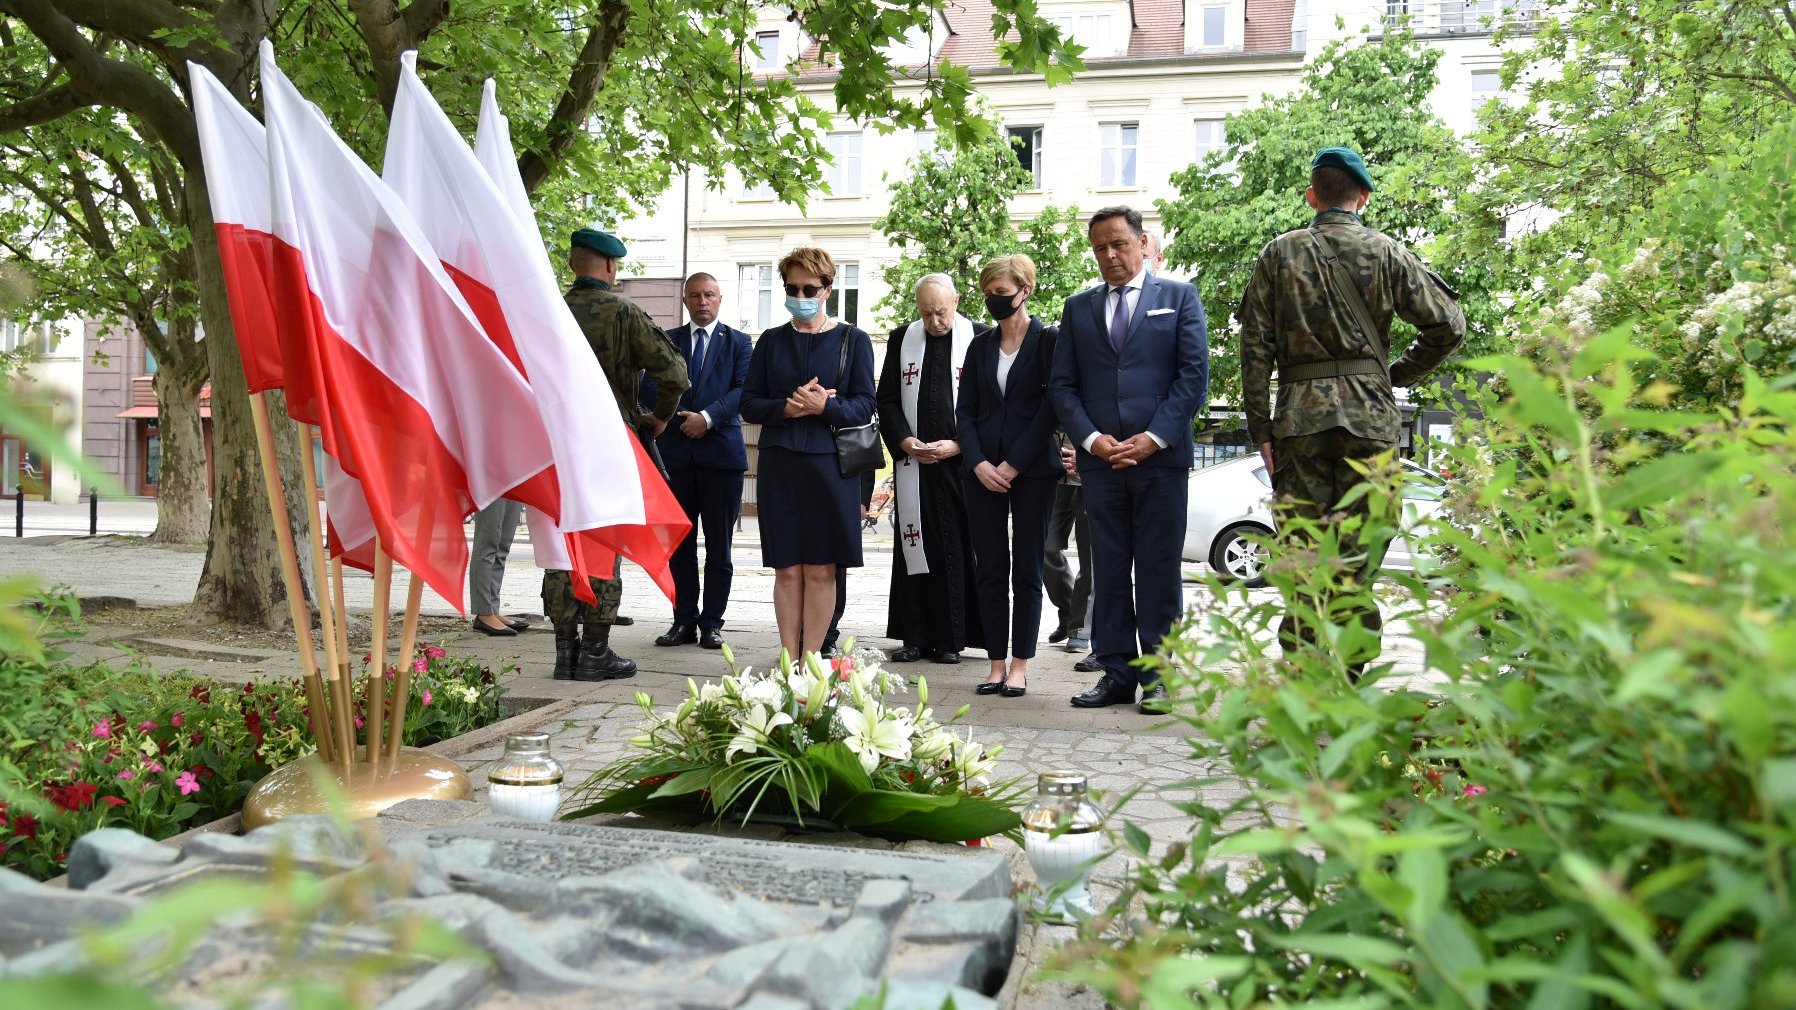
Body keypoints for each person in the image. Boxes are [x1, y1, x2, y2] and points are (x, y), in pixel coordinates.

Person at [1237, 147, 1465, 678]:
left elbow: (1255, 348)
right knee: (1358, 561)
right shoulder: (1388, 252)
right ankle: (1353, 684)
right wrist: (1395, 375)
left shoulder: (1280, 253)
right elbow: (1448, 326)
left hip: (1299, 423)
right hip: (1370, 421)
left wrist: (1260, 430)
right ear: (1362, 197)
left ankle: (1305, 688)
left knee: (1305, 559)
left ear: (1313, 196)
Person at [1048, 206, 1208, 714]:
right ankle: (1115, 672)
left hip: (1159, 462)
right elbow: (1063, 386)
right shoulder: (1078, 308)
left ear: (1142, 243)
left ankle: (1158, 677)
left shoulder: (1179, 298)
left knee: (1158, 569)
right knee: (1109, 569)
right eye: (1099, 247)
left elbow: (1192, 377)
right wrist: (1092, 440)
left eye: (1118, 244)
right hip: (1101, 463)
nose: (1110, 255)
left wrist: (1154, 437)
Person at [545, 228, 689, 681]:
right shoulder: (624, 313)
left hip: (554, 445)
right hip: (609, 444)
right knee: (604, 544)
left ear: (571, 265)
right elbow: (676, 374)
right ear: (611, 266)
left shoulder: (547, 312)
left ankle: (564, 653)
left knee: (562, 545)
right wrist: (660, 418)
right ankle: (595, 652)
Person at [740, 247, 877, 658]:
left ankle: (812, 660)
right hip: (781, 463)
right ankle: (787, 660)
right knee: (786, 567)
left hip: (831, 466)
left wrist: (825, 407)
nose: (800, 294)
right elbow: (748, 402)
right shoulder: (770, 341)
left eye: (809, 287)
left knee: (820, 569)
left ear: (828, 289)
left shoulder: (854, 340)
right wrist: (784, 407)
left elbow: (866, 404)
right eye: (792, 287)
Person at [956, 255, 1061, 698]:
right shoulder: (979, 346)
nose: (994, 301)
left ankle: (1020, 664)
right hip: (981, 472)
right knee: (991, 568)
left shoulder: (1049, 341)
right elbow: (966, 412)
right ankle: (995, 664)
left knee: (1027, 568)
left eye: (1001, 293)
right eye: (988, 294)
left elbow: (1050, 408)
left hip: (1033, 469)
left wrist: (1013, 464)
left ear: (1025, 290)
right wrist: (979, 463)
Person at [638, 272, 753, 651]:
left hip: (721, 457)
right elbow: (652, 385)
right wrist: (683, 415)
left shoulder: (739, 343)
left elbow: (743, 390)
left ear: (720, 298)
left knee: (719, 548)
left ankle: (712, 624)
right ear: (685, 300)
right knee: (680, 546)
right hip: (677, 456)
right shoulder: (668, 341)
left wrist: (707, 417)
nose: (702, 301)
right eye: (695, 296)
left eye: (709, 295)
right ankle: (683, 620)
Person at [878, 274, 985, 665]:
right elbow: (887, 399)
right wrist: (905, 441)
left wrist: (958, 445)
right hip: (915, 464)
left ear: (956, 301)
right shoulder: (901, 339)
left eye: (940, 312)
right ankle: (914, 636)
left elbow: (991, 407)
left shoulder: (979, 337)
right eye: (925, 313)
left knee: (954, 547)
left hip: (959, 467)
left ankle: (950, 638)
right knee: (913, 545)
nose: (934, 321)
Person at [1042, 430, 1091, 654]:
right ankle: (1069, 610)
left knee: (1090, 559)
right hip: (1053, 478)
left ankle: (1079, 629)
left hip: (1090, 480)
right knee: (1044, 549)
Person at [822, 469, 878, 657]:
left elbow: (865, 443)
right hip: (799, 480)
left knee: (835, 567)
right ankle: (796, 639)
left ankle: (827, 637)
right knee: (794, 568)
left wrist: (862, 497)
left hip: (842, 483)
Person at [469, 499, 528, 636]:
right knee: (487, 545)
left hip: (513, 480)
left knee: (502, 546)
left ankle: (493, 609)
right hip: (491, 481)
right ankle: (484, 612)